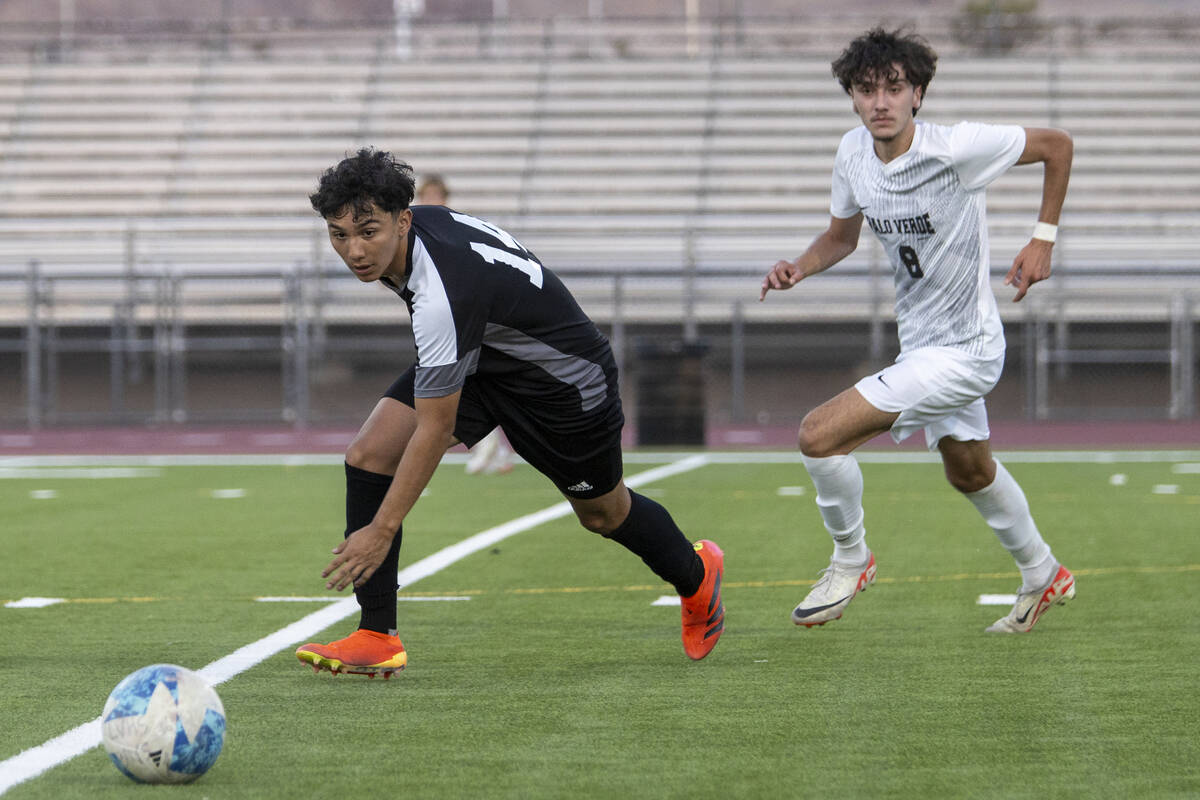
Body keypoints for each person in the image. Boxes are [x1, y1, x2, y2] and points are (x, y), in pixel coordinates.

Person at [296, 148, 724, 676]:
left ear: (403, 220)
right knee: (368, 456)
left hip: (565, 385)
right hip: (489, 358)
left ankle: (697, 573)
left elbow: (436, 429)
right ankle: (377, 634)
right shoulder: (419, 236)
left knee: (603, 514)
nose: (355, 250)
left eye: (368, 232)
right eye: (339, 235)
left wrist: (382, 528)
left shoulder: (441, 295)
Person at [759, 27, 1075, 634]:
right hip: (924, 345)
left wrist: (1043, 240)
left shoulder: (958, 147)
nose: (881, 101)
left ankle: (852, 559)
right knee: (969, 470)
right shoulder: (852, 153)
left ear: (918, 94)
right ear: (852, 97)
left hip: (968, 351)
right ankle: (1043, 573)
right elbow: (841, 237)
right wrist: (800, 266)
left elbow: (1058, 146)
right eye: (866, 89)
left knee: (818, 435)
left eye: (894, 88)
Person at [415, 172, 516, 476]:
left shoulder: (453, 226)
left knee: (455, 385)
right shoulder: (415, 229)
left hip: (462, 319)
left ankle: (487, 446)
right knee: (462, 384)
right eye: (426, 195)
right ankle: (493, 450)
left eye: (436, 195)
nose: (431, 201)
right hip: (437, 319)